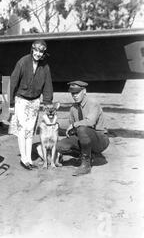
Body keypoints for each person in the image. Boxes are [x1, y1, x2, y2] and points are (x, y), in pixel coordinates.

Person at [10, 40, 53, 170]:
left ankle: (29, 158)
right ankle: (23, 159)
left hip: (34, 101)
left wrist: (47, 103)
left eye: (41, 52)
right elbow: (13, 82)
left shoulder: (45, 67)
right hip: (21, 100)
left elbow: (48, 86)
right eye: (36, 50)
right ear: (32, 49)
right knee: (22, 129)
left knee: (30, 130)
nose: (38, 54)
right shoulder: (23, 62)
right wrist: (11, 103)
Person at [57, 81, 110, 176]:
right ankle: (90, 155)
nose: (74, 95)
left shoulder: (93, 103)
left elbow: (90, 122)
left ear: (84, 91)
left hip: (100, 139)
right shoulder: (73, 108)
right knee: (60, 146)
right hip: (83, 137)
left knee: (82, 129)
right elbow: (71, 125)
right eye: (72, 93)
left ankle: (86, 165)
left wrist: (74, 125)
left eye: (77, 92)